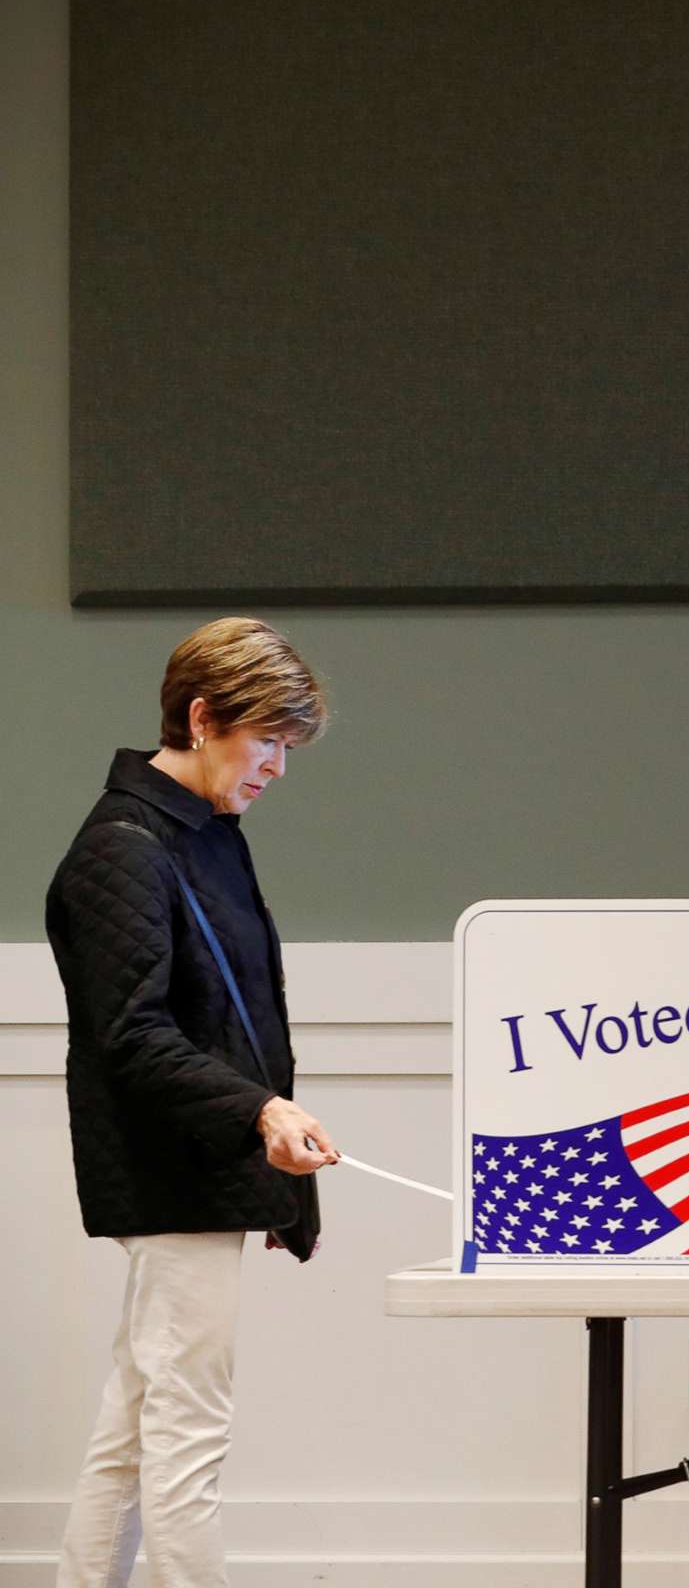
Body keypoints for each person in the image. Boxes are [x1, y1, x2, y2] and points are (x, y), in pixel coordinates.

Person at [49, 618, 339, 1588]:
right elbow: (131, 1037)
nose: (277, 769)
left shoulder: (202, 835)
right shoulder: (123, 851)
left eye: (288, 747)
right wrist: (258, 1116)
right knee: (185, 1440)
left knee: (133, 1432)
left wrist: (264, 1148)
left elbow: (225, 1018)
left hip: (200, 1175)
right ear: (202, 716)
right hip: (171, 1179)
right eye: (266, 741)